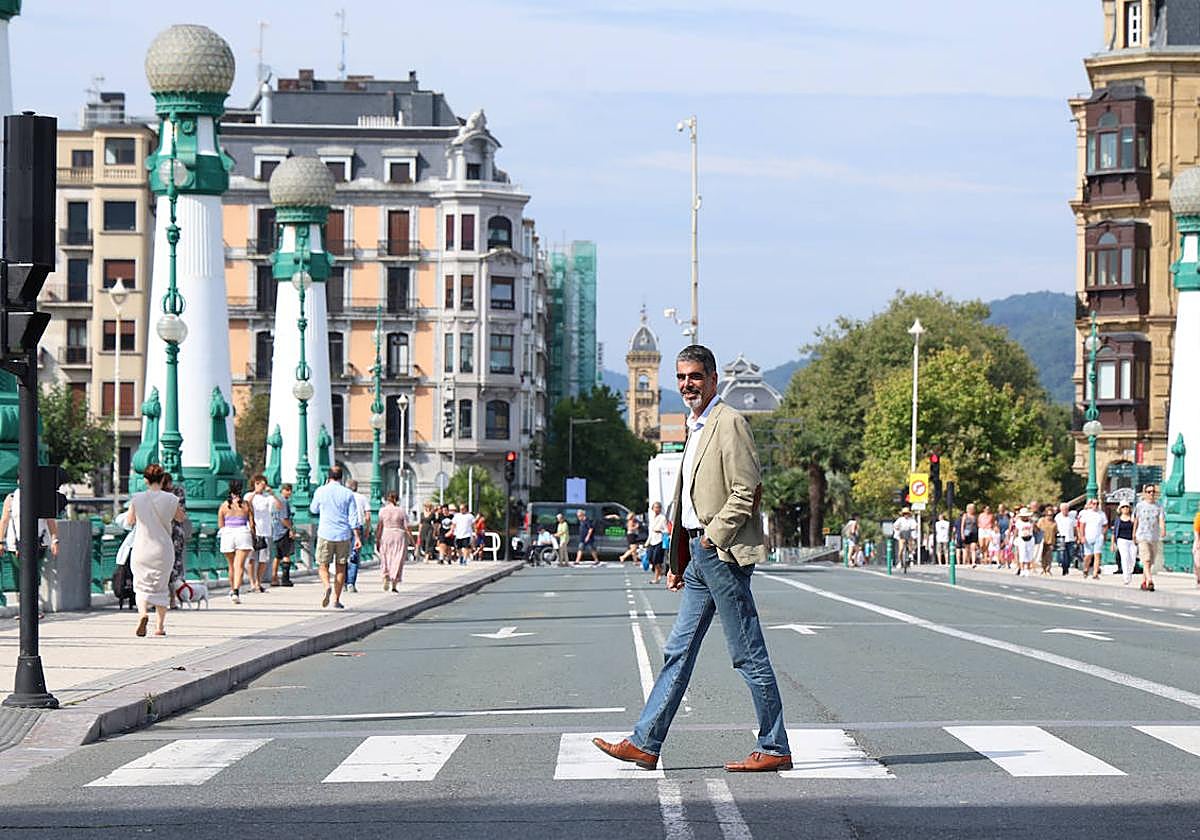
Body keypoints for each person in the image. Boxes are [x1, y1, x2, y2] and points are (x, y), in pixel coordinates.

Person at [593, 345, 790, 773]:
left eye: (695, 376)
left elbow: (747, 492)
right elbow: (688, 499)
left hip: (721, 553)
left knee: (747, 652)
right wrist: (680, 559)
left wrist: (709, 541)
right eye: (682, 377)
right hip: (700, 558)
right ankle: (645, 743)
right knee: (677, 652)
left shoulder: (729, 422)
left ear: (713, 378)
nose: (687, 384)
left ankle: (774, 746)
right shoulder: (696, 424)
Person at [126, 464, 185, 637]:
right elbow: (180, 518)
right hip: (163, 549)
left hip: (142, 548)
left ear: (145, 480)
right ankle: (159, 627)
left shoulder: (137, 498)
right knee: (161, 586)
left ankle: (143, 613)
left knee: (141, 584)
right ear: (162, 480)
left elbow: (130, 521)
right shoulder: (171, 499)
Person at [0, 481, 59, 620]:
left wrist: (55, 540)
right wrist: (1, 541)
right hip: (15, 545)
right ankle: (23, 609)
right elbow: (4, 520)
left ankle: (33, 608)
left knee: (33, 575)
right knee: (19, 577)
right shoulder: (12, 498)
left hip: (38, 543)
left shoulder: (41, 496)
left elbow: (50, 520)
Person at [310, 465, 362, 609]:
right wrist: (357, 537)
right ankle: (336, 600)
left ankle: (327, 585)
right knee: (341, 567)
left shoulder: (320, 491)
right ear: (341, 477)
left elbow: (313, 509)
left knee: (322, 565)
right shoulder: (348, 493)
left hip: (325, 533)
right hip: (343, 534)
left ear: (328, 476)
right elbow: (353, 518)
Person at [217, 481, 255, 604]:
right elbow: (252, 523)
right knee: (239, 565)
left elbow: (220, 524)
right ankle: (236, 591)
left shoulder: (223, 505)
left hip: (228, 534)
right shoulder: (246, 505)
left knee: (231, 565)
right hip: (242, 533)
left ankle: (232, 588)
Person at [244, 474, 280, 594]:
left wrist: (273, 494)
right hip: (253, 530)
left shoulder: (268, 497)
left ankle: (259, 581)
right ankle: (252, 582)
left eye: (262, 483)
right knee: (251, 558)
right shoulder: (249, 495)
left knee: (264, 559)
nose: (261, 486)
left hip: (265, 531)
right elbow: (246, 504)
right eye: (258, 483)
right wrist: (255, 492)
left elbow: (279, 506)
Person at [161, 473, 190, 608]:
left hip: (168, 534)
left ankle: (172, 598)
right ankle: (169, 599)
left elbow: (181, 514)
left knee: (170, 567)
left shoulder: (170, 494)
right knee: (171, 567)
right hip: (170, 533)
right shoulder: (175, 493)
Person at [375, 491, 409, 591]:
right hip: (399, 534)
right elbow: (407, 527)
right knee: (397, 558)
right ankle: (394, 582)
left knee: (385, 556)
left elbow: (379, 526)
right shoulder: (401, 511)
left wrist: (377, 539)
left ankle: (385, 575)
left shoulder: (382, 511)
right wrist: (412, 540)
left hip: (386, 534)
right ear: (397, 499)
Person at [1134, 484, 1166, 592]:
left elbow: (1161, 519)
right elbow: (1136, 521)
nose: (1151, 493)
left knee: (1150, 562)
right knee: (1146, 559)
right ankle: (1150, 580)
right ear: (1145, 493)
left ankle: (1144, 582)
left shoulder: (1159, 506)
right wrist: (1133, 534)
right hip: (1142, 536)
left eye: (1153, 491)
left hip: (1154, 537)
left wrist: (1163, 529)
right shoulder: (1140, 506)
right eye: (1148, 492)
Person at [345, 479, 372, 592]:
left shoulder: (344, 497)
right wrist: (367, 529)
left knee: (343, 555)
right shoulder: (362, 498)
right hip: (358, 527)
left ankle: (343, 582)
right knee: (354, 556)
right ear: (356, 487)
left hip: (344, 527)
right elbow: (368, 516)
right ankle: (351, 583)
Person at [1077, 497, 1108, 580]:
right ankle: (1086, 568)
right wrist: (1082, 536)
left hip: (1098, 537)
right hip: (1088, 537)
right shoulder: (1086, 514)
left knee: (1097, 555)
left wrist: (1103, 534)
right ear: (1090, 505)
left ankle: (1095, 573)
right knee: (1088, 555)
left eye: (1097, 503)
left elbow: (1105, 525)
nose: (1096, 505)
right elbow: (1082, 526)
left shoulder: (1102, 514)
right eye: (1094, 503)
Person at [273, 484, 296, 586]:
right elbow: (284, 518)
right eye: (287, 490)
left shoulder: (276, 501)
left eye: (290, 490)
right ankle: (285, 579)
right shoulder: (284, 502)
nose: (289, 492)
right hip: (283, 532)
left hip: (276, 531)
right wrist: (291, 529)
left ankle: (274, 578)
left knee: (277, 556)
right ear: (282, 490)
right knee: (286, 555)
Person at [1112, 501, 1137, 585]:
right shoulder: (1118, 520)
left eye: (1126, 507)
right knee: (1125, 557)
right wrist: (1113, 543)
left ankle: (1130, 572)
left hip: (1132, 540)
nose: (1125, 508)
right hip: (1122, 540)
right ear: (1120, 509)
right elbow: (1114, 532)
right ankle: (1126, 577)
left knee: (1132, 558)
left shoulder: (1132, 518)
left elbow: (1137, 527)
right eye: (1123, 507)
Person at [646, 501, 668, 583]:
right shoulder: (652, 518)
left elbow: (666, 530)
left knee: (656, 559)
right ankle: (659, 571)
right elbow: (651, 531)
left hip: (659, 540)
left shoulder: (662, 518)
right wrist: (647, 542)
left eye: (658, 507)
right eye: (655, 507)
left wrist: (660, 530)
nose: (656, 509)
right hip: (652, 541)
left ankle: (656, 578)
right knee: (650, 558)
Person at [1054, 503, 1078, 576]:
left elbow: (1075, 527)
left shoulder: (1072, 517)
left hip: (1070, 538)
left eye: (1066, 509)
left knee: (1070, 554)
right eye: (1064, 509)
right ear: (1061, 510)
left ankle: (1067, 565)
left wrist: (1076, 536)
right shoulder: (1057, 517)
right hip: (1061, 537)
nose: (1065, 511)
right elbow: (1055, 527)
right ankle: (1065, 568)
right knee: (1063, 555)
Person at [1013, 507, 1037, 576]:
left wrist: (1034, 524)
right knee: (1022, 554)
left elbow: (1035, 530)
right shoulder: (1019, 522)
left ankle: (1028, 569)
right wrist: (1014, 539)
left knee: (1029, 554)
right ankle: (1022, 568)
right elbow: (1016, 531)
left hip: (1030, 538)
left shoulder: (1030, 522)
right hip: (1022, 539)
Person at [1037, 507, 1057, 576]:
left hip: (1051, 540)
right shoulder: (1041, 520)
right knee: (1043, 555)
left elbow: (1056, 531)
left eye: (1051, 515)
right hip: (1042, 540)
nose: (1050, 516)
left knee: (1049, 556)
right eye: (1048, 515)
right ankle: (1043, 569)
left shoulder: (1054, 522)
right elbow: (1037, 529)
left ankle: (1048, 569)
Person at [959, 503, 979, 567]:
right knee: (967, 548)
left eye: (973, 508)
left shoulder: (975, 516)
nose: (972, 510)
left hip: (974, 532)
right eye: (970, 508)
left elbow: (977, 525)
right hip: (967, 533)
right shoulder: (965, 515)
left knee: (973, 547)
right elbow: (962, 525)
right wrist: (962, 534)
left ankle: (973, 562)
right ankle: (967, 561)